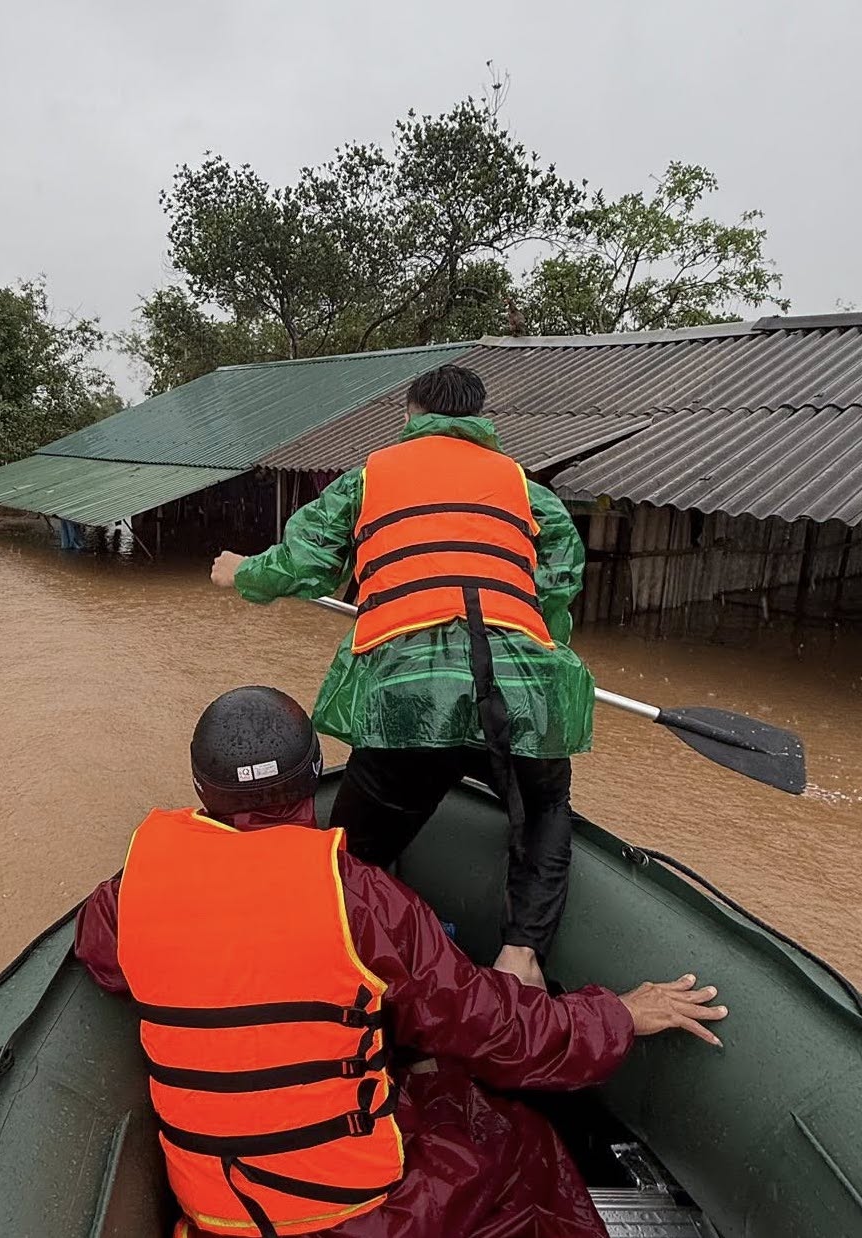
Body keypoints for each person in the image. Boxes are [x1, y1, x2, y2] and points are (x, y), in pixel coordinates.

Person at [76, 686, 727, 1238]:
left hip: (216, 1214)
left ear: (199, 790)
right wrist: (613, 1015)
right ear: (312, 779)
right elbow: (496, 1033)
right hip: (344, 1220)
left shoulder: (128, 893)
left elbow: (105, 957)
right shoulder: (361, 898)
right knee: (518, 1143)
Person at [211, 365, 593, 988]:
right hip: (521, 693)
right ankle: (522, 954)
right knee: (547, 804)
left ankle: (358, 956)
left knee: (355, 855)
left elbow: (304, 563)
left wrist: (242, 573)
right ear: (481, 421)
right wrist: (531, 655)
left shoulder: (370, 476)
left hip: (409, 702)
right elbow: (559, 581)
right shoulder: (527, 489)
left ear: (411, 415)